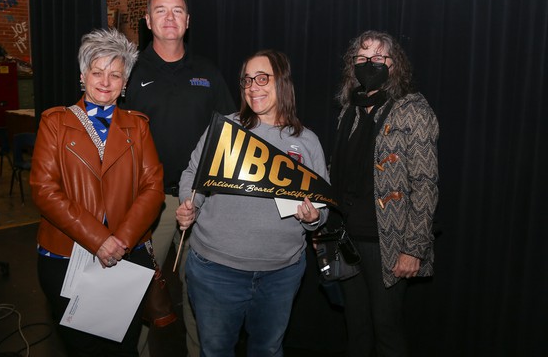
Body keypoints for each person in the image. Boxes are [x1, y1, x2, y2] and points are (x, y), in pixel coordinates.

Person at [176, 49, 329, 357]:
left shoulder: (307, 141)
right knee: (215, 350)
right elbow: (194, 175)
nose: (253, 87)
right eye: (247, 80)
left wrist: (313, 218)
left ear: (282, 82)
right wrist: (187, 205)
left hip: (280, 275)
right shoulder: (226, 130)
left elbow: (322, 209)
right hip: (215, 271)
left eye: (262, 78)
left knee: (268, 350)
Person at [30, 28, 165, 356]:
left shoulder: (139, 125)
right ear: (82, 76)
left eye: (115, 74)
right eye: (97, 71)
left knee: (124, 344)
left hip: (125, 256)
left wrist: (120, 241)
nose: (106, 81)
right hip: (65, 256)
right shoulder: (55, 123)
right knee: (82, 347)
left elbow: (153, 187)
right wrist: (98, 240)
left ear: (125, 83)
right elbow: (44, 190)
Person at [119, 0, 235, 356]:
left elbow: (230, 133)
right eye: (161, 11)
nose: (170, 18)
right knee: (138, 291)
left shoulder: (208, 72)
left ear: (188, 21)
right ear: (148, 21)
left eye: (178, 11)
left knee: (202, 294)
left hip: (201, 203)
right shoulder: (130, 72)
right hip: (148, 203)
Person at [330, 30, 439, 356]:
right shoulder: (348, 111)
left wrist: (414, 249)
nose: (369, 64)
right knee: (357, 329)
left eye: (379, 58)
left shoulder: (414, 111)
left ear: (394, 65)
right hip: (348, 238)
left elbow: (425, 184)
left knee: (387, 331)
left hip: (389, 242)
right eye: (362, 59)